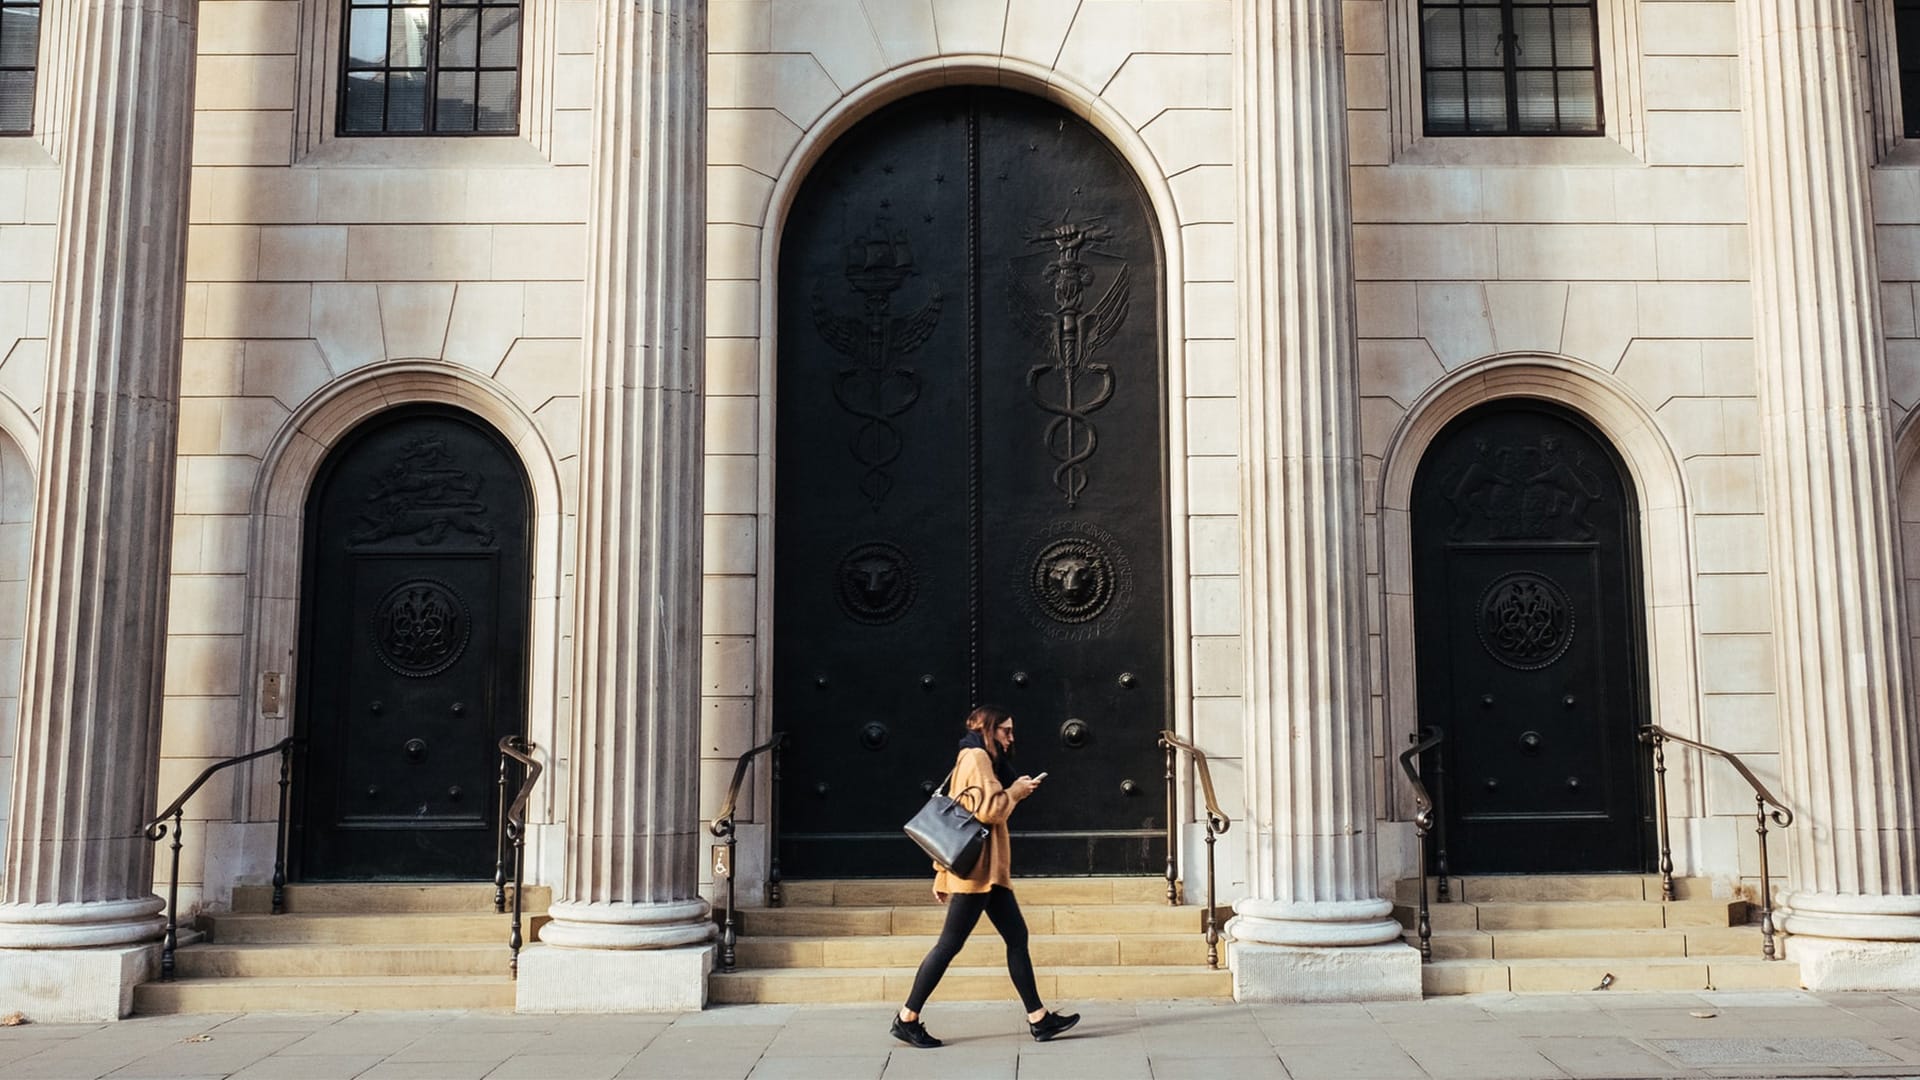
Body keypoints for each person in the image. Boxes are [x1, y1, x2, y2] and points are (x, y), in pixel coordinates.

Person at [890, 705, 1082, 1049]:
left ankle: (1039, 1018)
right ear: (988, 730)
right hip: (977, 875)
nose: (1011, 738)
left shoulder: (975, 757)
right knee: (949, 946)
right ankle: (907, 1017)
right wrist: (1016, 792)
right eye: (1005, 731)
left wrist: (939, 874)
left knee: (1016, 936)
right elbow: (989, 811)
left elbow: (953, 816)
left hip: (987, 874)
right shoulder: (977, 758)